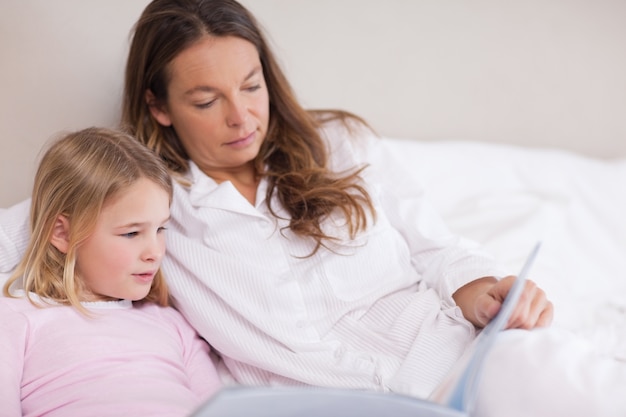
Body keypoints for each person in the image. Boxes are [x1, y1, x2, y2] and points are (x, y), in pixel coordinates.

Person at [1, 1, 626, 416]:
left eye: (251, 86)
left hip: (450, 357)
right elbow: (43, 228)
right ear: (159, 106)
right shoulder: (146, 200)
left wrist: (484, 288)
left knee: (561, 381)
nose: (242, 117)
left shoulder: (338, 143)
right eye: (205, 100)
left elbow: (437, 247)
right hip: (324, 404)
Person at [0, 127, 221, 416]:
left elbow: (220, 408)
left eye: (160, 229)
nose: (154, 251)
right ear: (62, 233)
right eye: (131, 233)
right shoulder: (16, 318)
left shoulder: (172, 323)